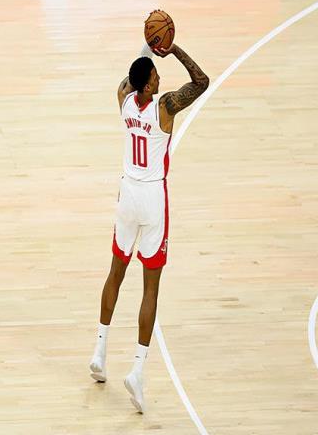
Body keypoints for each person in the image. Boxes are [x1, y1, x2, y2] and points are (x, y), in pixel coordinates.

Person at [89, 37, 209, 413]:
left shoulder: (124, 99)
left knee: (115, 272)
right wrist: (173, 49)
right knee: (151, 287)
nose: (160, 77)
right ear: (149, 85)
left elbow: (128, 78)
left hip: (127, 194)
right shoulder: (165, 107)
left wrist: (147, 48)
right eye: (155, 74)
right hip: (152, 198)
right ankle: (137, 371)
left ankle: (99, 351)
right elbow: (202, 82)